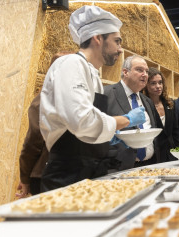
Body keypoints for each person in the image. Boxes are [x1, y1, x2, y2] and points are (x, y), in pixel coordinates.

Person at [39, 6, 146, 191]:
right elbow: (81, 120)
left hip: (91, 170)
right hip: (66, 174)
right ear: (98, 38)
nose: (120, 50)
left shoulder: (93, 75)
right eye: (117, 41)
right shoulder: (70, 64)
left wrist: (107, 138)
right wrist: (126, 120)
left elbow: (90, 126)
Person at [16, 52, 72, 198]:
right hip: (50, 176)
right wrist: (26, 178)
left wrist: (25, 177)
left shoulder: (45, 99)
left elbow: (32, 143)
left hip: (48, 174)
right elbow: (34, 142)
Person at [105, 55, 164, 169]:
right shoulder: (106, 94)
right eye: (139, 70)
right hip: (118, 168)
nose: (145, 74)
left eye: (146, 71)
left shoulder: (147, 101)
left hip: (149, 166)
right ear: (125, 72)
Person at [143, 67, 179, 161]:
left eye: (160, 82)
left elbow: (175, 131)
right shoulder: (143, 106)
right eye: (153, 83)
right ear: (146, 85)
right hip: (154, 156)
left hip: (172, 154)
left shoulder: (170, 103)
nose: (158, 86)